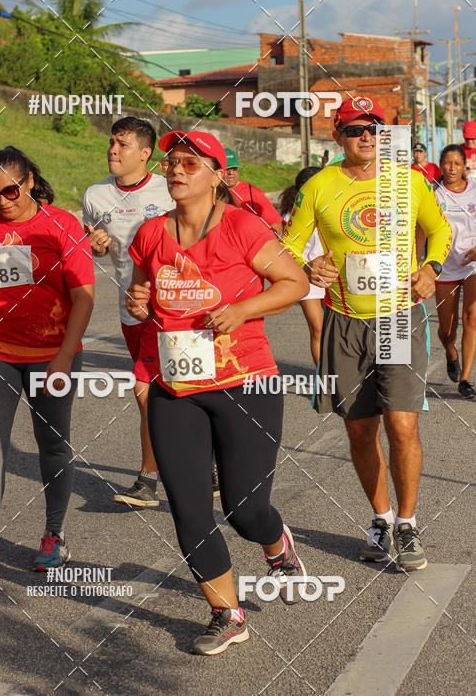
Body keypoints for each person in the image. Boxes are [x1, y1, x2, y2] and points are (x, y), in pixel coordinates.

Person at [126, 129, 309, 656]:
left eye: (189, 162)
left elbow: (293, 282)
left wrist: (243, 309)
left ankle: (276, 546)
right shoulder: (151, 233)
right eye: (171, 162)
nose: (176, 170)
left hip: (244, 382)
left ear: (216, 173)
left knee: (245, 509)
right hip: (175, 386)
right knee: (187, 507)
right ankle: (227, 614)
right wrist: (140, 300)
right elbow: (142, 289)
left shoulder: (240, 227)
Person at [282, 95, 452, 573]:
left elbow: (439, 230)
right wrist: (307, 264)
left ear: (383, 135)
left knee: (402, 424)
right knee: (359, 428)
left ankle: (408, 522)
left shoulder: (409, 181)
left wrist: (431, 268)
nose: (365, 137)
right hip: (344, 320)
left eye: (374, 129)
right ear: (337, 136)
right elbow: (288, 246)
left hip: (398, 315)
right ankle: (380, 519)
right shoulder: (318, 186)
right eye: (355, 129)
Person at [0, 146, 94, 586]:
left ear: (29, 181)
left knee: (52, 446)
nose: (3, 201)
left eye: (10, 190)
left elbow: (84, 295)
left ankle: (54, 536)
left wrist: (65, 357)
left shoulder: (62, 225)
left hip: (53, 353)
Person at [82, 116, 174, 508]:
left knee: (147, 392)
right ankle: (204, 464)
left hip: (172, 308)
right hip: (129, 310)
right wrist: (96, 247)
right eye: (111, 143)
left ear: (145, 153)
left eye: (122, 144)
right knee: (160, 392)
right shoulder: (95, 195)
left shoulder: (168, 190)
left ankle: (148, 481)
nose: (113, 150)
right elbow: (94, 245)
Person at [432, 145, 476, 398]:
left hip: (474, 264)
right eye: (447, 163)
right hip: (444, 266)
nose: (451, 168)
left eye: (456, 163)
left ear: (465, 166)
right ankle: (451, 353)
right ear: (441, 165)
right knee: (447, 328)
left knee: (471, 319)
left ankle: (466, 379)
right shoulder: (434, 193)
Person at [280, 167, 324, 365]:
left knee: (339, 331)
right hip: (308, 277)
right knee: (318, 329)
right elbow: (286, 251)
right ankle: (326, 379)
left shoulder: (334, 210)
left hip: (335, 275)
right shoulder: (291, 219)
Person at [223, 148, 283, 235]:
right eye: (227, 169)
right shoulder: (212, 191)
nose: (231, 172)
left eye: (234, 168)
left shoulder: (253, 193)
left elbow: (276, 224)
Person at [461, 121, 476, 185]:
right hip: (465, 190)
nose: (470, 142)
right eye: (467, 139)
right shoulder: (458, 151)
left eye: (473, 138)